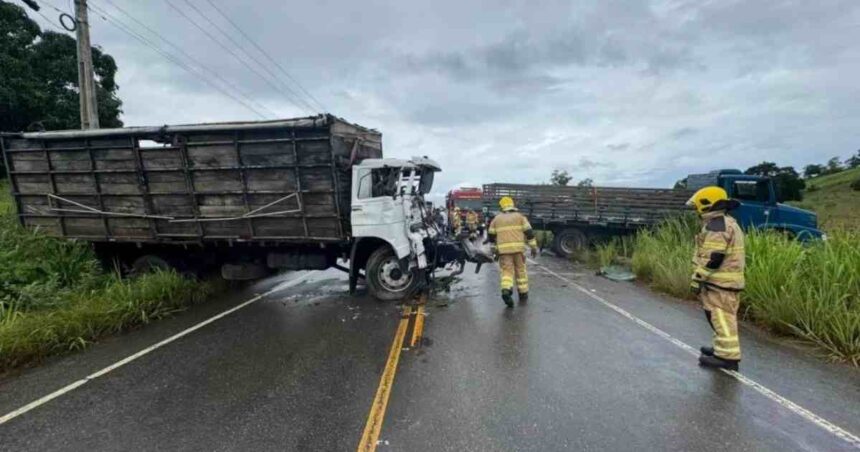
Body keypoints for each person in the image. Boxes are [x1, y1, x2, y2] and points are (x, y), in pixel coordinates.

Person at [687, 186, 745, 371]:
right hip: (724, 283)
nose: (696, 211)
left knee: (721, 317)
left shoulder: (717, 226)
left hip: (721, 283)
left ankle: (728, 357)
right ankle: (722, 349)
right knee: (718, 316)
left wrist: (697, 278)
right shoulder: (723, 222)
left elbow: (713, 258)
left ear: (706, 205)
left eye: (697, 207)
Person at [487, 197, 539, 308]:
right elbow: (529, 233)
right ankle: (523, 293)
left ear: (502, 206)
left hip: (504, 252)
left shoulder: (496, 219)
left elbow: (491, 236)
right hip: (518, 251)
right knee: (520, 271)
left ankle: (506, 290)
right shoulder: (520, 217)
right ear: (512, 205)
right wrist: (533, 247)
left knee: (507, 272)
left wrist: (494, 250)